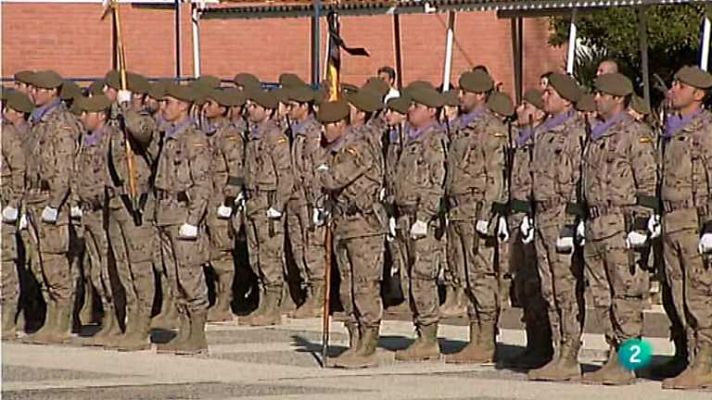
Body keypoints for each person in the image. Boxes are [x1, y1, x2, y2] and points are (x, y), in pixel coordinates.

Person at [580, 73, 658, 385]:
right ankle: (615, 354)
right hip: (597, 223)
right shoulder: (596, 134)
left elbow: (648, 179)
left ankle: (631, 362)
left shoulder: (633, 133)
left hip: (621, 225)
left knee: (626, 297)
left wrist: (641, 223)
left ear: (616, 98)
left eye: (600, 94)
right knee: (602, 297)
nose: (595, 99)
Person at [444, 69, 508, 364]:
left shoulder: (490, 128)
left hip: (476, 211)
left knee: (481, 276)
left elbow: (495, 175)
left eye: (465, 91)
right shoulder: (459, 127)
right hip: (458, 211)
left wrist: (488, 214)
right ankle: (474, 337)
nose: (460, 96)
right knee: (466, 277)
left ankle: (485, 338)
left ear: (480, 95)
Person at [316, 99, 386, 368]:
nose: (324, 131)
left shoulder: (358, 146)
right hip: (344, 224)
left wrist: (323, 172)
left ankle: (367, 345)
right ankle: (354, 340)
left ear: (339, 124)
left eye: (327, 126)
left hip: (364, 226)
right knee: (347, 286)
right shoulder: (335, 150)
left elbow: (334, 179)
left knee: (364, 286)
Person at [527, 73, 586, 381]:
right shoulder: (541, 132)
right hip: (542, 216)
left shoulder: (575, 131)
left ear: (566, 97)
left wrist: (572, 223)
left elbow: (578, 179)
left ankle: (570, 353)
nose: (544, 96)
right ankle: (556, 350)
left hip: (562, 215)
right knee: (549, 289)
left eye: (550, 92)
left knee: (565, 289)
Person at [658, 66, 712, 390]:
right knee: (678, 295)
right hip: (671, 221)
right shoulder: (671, 128)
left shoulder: (706, 130)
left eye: (681, 85)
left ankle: (706, 360)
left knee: (699, 295)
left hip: (694, 222)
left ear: (699, 94)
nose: (673, 89)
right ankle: (693, 357)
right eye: (674, 82)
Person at [153, 83, 212, 355]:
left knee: (189, 275)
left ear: (183, 106)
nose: (164, 107)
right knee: (174, 276)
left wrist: (193, 219)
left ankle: (197, 335)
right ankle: (184, 330)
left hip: (183, 213)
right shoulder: (169, 135)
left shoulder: (194, 138)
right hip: (166, 212)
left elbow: (202, 184)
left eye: (168, 102)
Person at [392, 84, 448, 362]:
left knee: (422, 278)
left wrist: (425, 217)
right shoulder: (410, 137)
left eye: (415, 105)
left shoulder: (433, 139)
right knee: (408, 278)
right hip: (405, 215)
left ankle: (429, 338)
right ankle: (420, 333)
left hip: (421, 219)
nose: (409, 109)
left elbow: (436, 182)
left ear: (430, 110)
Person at [22, 71, 77, 345]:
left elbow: (64, 168)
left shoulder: (61, 123)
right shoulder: (36, 121)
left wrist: (55, 203)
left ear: (53, 91)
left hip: (50, 199)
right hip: (33, 197)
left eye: (39, 89)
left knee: (55, 263)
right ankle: (50, 317)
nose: (34, 93)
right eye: (32, 89)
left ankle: (62, 320)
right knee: (39, 263)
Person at [505, 88, 552, 370]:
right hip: (520, 222)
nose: (519, 109)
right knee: (525, 287)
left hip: (542, 220)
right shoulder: (521, 141)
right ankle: (534, 344)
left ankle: (548, 348)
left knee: (543, 288)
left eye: (524, 105)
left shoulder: (540, 139)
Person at [241, 88, 294, 326]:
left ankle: (273, 304)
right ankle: (263, 301)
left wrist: (279, 205)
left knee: (269, 254)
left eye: (254, 106)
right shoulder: (254, 135)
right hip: (253, 200)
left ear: (267, 110)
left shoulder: (275, 136)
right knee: (255, 255)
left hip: (268, 200)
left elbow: (285, 173)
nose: (249, 110)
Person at [200, 88, 245, 323]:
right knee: (210, 254)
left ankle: (224, 302)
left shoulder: (229, 136)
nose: (206, 107)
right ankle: (216, 299)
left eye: (211, 103)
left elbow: (236, 170)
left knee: (222, 256)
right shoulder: (208, 134)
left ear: (223, 108)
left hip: (221, 202)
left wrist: (229, 201)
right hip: (207, 200)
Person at [285, 85, 328, 319]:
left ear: (304, 107)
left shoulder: (313, 131)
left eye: (292, 106)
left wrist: (317, 202)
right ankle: (307, 293)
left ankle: (318, 297)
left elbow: (317, 167)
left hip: (309, 198)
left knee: (312, 247)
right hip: (296, 196)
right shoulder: (296, 130)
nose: (288, 110)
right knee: (298, 246)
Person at [1, 90, 32, 340]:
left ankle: (9, 318)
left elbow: (19, 168)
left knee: (5, 263)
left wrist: (14, 203)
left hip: (3, 206)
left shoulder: (6, 134)